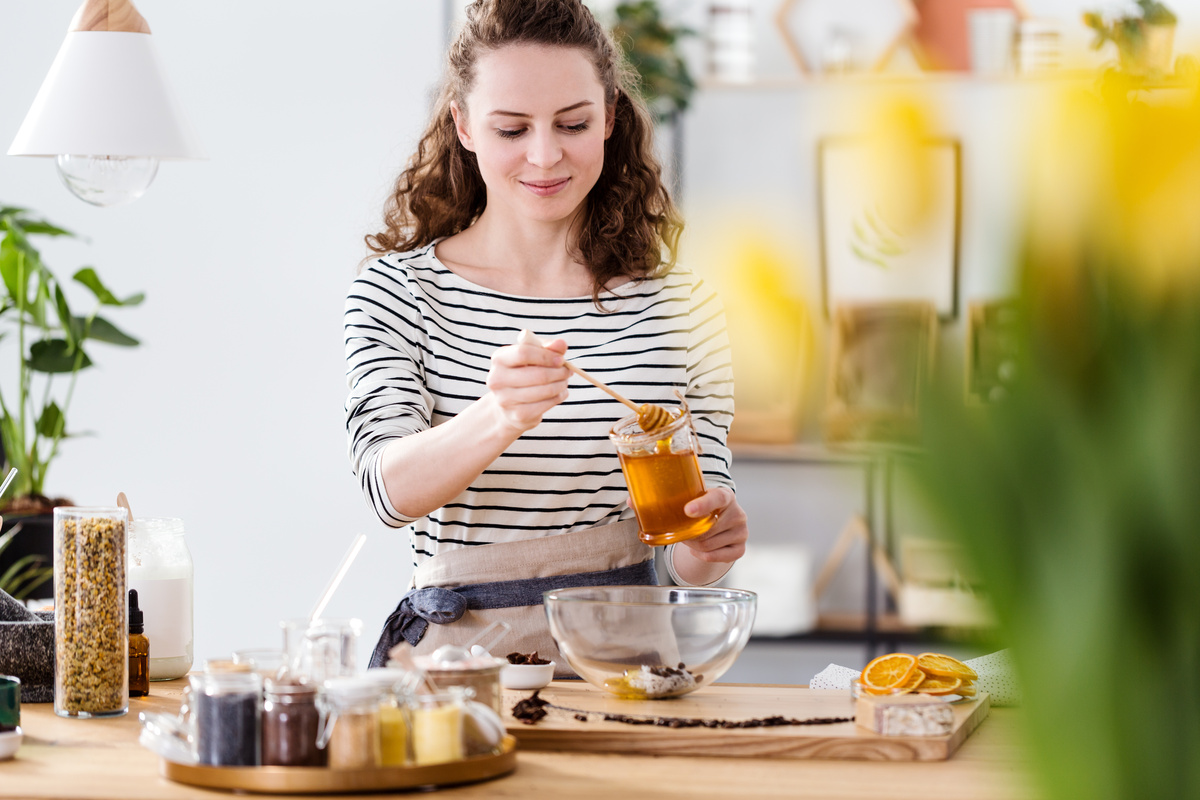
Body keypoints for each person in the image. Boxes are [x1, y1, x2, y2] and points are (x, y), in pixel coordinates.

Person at [345, 0, 749, 670]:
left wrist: (709, 548)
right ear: (464, 125)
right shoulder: (399, 293)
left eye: (573, 123)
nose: (543, 154)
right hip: (462, 671)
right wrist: (497, 415)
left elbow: (688, 549)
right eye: (511, 128)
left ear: (610, 118)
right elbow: (386, 491)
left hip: (627, 664)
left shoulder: (686, 307)